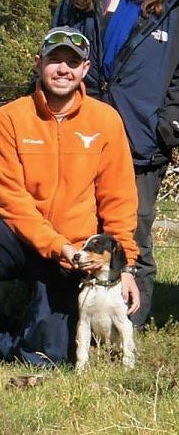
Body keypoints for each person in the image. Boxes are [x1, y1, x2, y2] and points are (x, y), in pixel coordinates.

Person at [53, 0, 179, 327]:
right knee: (80, 225)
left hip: (140, 133)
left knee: (134, 232)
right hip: (83, 125)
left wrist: (169, 123)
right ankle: (76, 323)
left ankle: (129, 327)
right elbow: (59, 46)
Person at [0, 27, 140, 366]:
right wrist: (53, 242)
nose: (63, 69)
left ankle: (25, 336)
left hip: (75, 255)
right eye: (55, 60)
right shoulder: (10, 117)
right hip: (22, 239)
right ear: (38, 64)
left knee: (50, 356)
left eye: (72, 62)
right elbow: (10, 197)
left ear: (85, 70)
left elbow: (118, 198)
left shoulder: (105, 120)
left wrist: (126, 266)